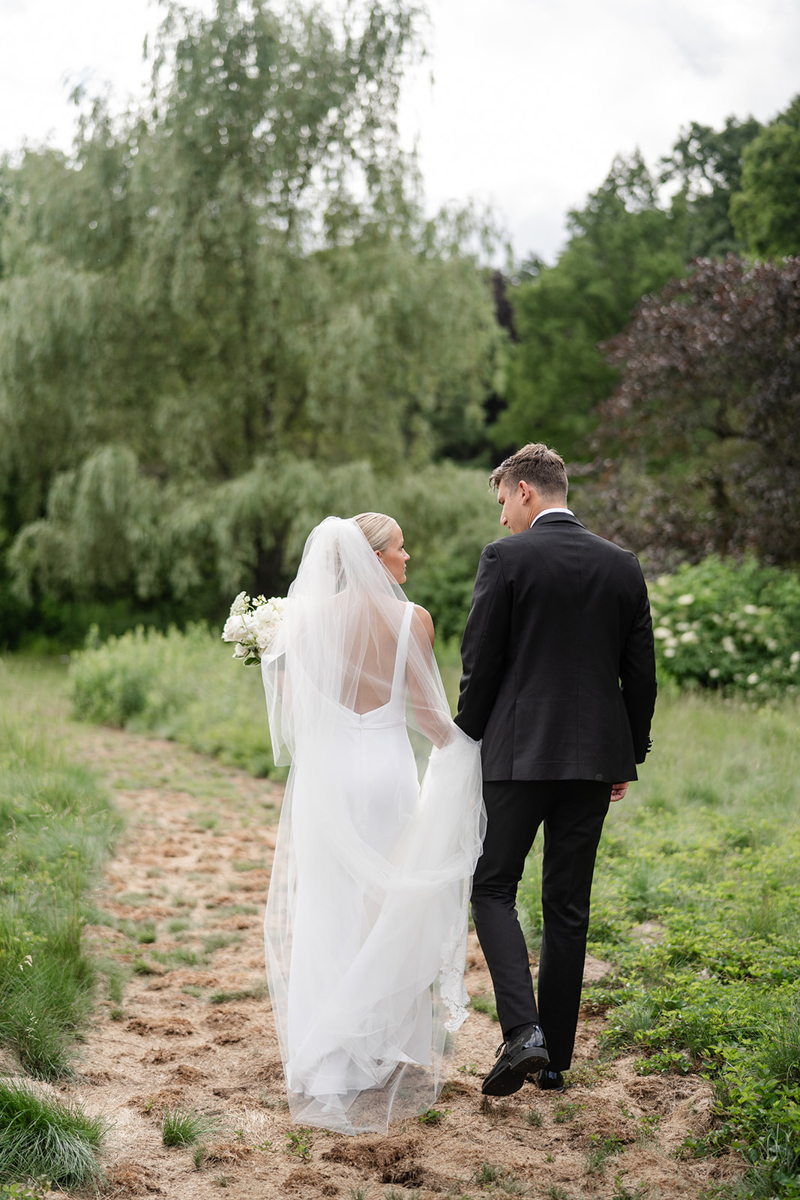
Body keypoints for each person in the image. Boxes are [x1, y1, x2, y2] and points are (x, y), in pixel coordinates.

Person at [261, 513, 485, 1134]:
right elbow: (427, 715)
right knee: (383, 906)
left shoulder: (300, 621)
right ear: (375, 558)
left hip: (328, 778)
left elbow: (289, 709)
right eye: (400, 547)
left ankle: (329, 1058)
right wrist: (472, 750)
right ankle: (377, 1042)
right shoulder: (412, 621)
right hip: (387, 774)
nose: (407, 558)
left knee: (327, 907)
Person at [454, 443, 656, 1096]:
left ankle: (525, 1034)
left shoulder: (506, 558)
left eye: (504, 504)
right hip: (596, 762)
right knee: (567, 906)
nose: (504, 518)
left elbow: (480, 661)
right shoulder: (622, 566)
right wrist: (630, 752)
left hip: (515, 755)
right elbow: (641, 676)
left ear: (523, 491)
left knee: (492, 888)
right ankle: (557, 1062)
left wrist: (465, 738)